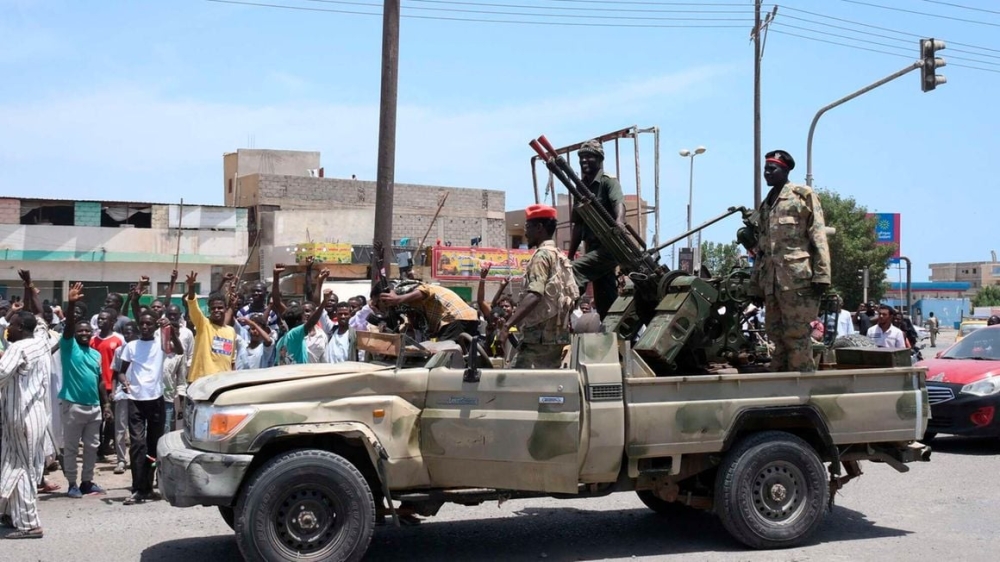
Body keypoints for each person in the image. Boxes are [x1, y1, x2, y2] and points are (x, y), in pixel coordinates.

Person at [747, 149, 831, 372]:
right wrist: (756, 286)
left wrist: (822, 274)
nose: (767, 173)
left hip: (797, 281)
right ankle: (781, 384)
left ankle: (802, 386)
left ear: (784, 171)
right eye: (765, 169)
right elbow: (763, 249)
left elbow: (818, 235)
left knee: (796, 335)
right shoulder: (766, 205)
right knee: (776, 335)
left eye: (772, 169)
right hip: (772, 283)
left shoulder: (802, 196)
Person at [502, 204, 580, 368]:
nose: (525, 232)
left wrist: (507, 325)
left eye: (528, 227)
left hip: (537, 339)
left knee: (514, 385)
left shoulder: (542, 256)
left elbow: (535, 294)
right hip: (555, 337)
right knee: (546, 385)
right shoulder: (558, 255)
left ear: (539, 228)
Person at [118, 312, 181, 505]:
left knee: (154, 445)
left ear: (154, 326)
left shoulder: (160, 344)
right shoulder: (131, 346)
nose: (145, 327)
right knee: (138, 444)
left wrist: (170, 331)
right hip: (136, 399)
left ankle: (147, 487)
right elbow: (121, 371)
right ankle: (137, 487)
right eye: (142, 324)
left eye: (148, 324)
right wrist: (125, 382)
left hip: (156, 399)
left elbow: (178, 350)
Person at [0, 309, 52, 539]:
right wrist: (30, 287)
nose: (6, 328)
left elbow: (1, 373)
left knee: (21, 469)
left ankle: (29, 524)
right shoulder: (41, 342)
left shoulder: (18, 348)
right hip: (36, 416)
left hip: (21, 417)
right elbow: (40, 322)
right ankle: (12, 513)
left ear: (20, 328)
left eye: (10, 324)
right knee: (12, 463)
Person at [59, 283, 109, 500]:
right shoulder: (69, 347)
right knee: (71, 448)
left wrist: (105, 404)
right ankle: (72, 483)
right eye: (80, 331)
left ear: (92, 332)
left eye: (87, 330)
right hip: (73, 405)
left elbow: (99, 381)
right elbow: (69, 327)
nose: (83, 333)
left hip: (94, 407)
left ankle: (87, 482)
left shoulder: (96, 354)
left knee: (92, 447)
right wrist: (71, 305)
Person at [567, 139, 625, 320]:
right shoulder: (580, 186)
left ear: (600, 159)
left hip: (610, 247)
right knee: (605, 299)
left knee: (573, 272)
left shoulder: (608, 182)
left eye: (589, 157)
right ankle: (611, 332)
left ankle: (566, 312)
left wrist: (619, 221)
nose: (584, 161)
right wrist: (569, 255)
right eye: (581, 157)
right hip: (593, 248)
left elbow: (619, 203)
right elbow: (578, 224)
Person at [373, 282, 480, 344]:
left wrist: (399, 298)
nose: (376, 307)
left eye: (376, 303)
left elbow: (426, 290)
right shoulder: (403, 306)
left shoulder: (400, 289)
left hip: (455, 316)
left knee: (444, 357)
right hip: (466, 317)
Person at [184, 272, 236, 383]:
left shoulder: (231, 331)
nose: (216, 310)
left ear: (225, 308)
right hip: (200, 382)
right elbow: (193, 305)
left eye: (220, 307)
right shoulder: (203, 324)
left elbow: (231, 361)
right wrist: (191, 287)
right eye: (213, 308)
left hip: (223, 383)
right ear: (209, 310)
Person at [90, 306, 125, 459]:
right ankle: (98, 450)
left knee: (111, 419)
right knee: (97, 419)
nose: (101, 321)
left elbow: (122, 365)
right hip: (96, 385)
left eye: (104, 319)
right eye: (99, 319)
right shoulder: (92, 340)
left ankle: (107, 444)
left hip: (112, 385)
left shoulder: (118, 340)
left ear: (112, 322)